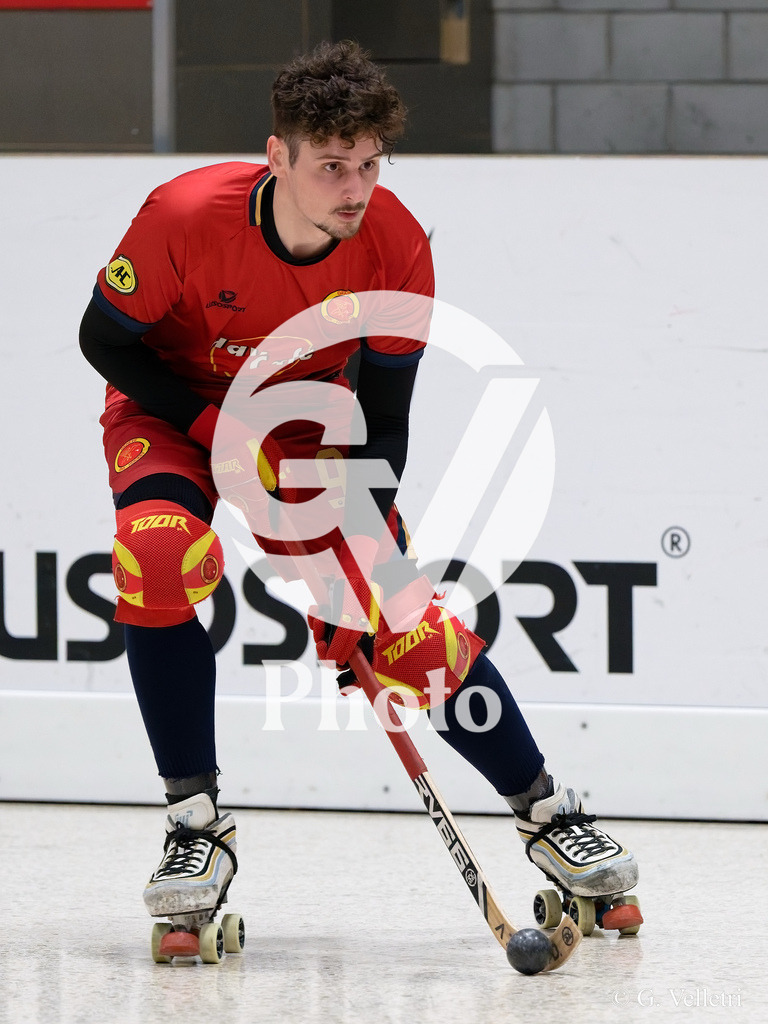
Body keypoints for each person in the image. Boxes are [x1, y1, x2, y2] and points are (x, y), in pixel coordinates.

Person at [79, 40, 638, 943]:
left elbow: (385, 423)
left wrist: (357, 581)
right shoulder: (183, 216)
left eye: (370, 164)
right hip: (171, 407)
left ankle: (545, 809)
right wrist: (216, 429)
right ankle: (195, 825)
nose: (354, 186)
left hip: (306, 425)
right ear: (278, 158)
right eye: (332, 165)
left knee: (404, 630)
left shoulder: (396, 244)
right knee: (154, 553)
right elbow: (104, 342)